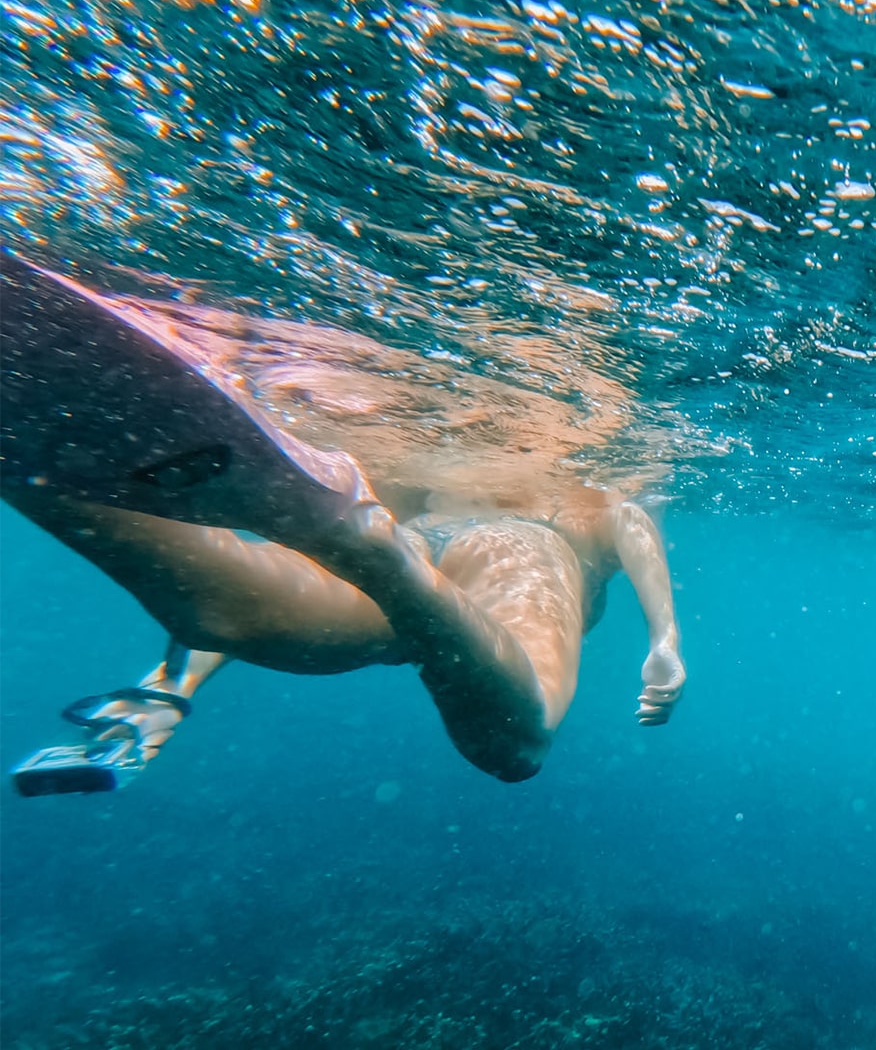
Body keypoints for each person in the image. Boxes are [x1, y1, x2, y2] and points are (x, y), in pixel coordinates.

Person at [2, 255, 686, 793]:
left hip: (415, 534)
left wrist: (168, 687)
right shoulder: (590, 476)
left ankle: (36, 483)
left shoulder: (443, 457)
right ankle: (368, 548)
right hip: (518, 550)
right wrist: (666, 641)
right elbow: (627, 518)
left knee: (225, 611)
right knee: (516, 741)